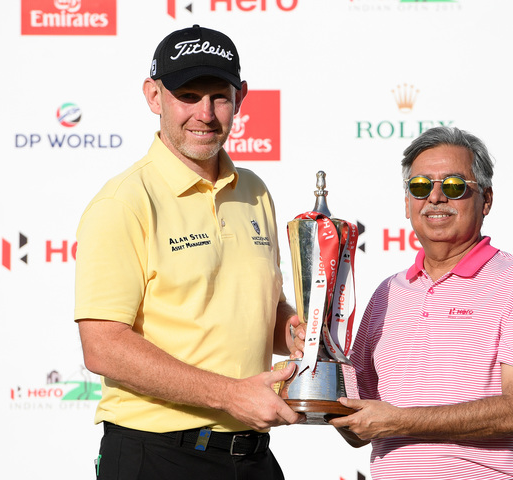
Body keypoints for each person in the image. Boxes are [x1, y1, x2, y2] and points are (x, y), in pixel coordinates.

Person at [74, 25, 305, 480]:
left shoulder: (254, 191)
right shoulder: (123, 201)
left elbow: (258, 307)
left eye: (219, 96)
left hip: (252, 456)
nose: (205, 113)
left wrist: (298, 331)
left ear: (240, 97)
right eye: (188, 95)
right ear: (154, 96)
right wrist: (229, 394)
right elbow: (102, 346)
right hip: (157, 456)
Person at [329, 126, 513, 479]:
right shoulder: (387, 293)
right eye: (421, 186)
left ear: (485, 199)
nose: (436, 198)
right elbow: (357, 423)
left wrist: (398, 420)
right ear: (407, 203)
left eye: (455, 186)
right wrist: (313, 360)